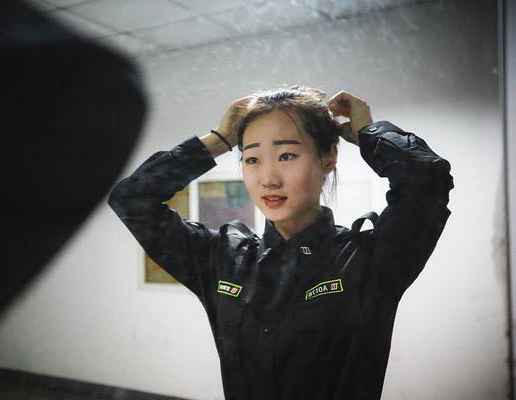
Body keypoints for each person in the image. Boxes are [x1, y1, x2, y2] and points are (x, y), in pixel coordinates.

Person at [108, 87, 453, 400]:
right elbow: (132, 199)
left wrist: (368, 133)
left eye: (287, 155)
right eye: (252, 159)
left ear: (328, 158)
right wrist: (218, 140)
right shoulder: (222, 259)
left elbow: (428, 180)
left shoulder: (370, 259)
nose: (268, 179)